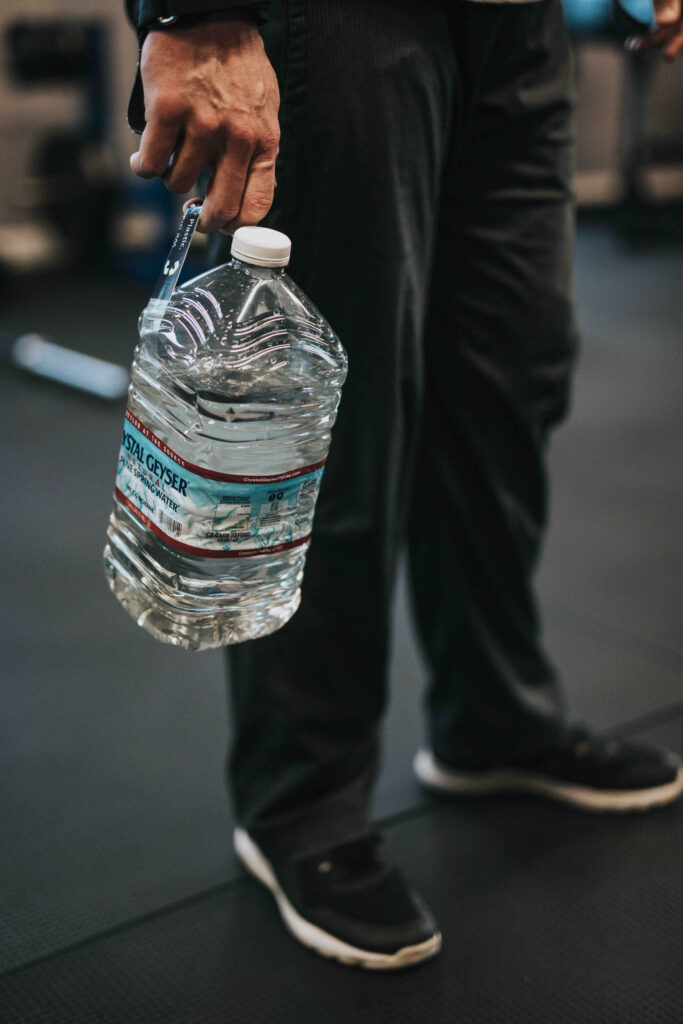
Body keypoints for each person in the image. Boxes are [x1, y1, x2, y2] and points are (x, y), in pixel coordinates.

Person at [124, 0, 683, 969]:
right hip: (339, 22)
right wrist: (192, 13)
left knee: (508, 382)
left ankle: (492, 716)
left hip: (517, 28)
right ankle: (299, 800)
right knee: (335, 425)